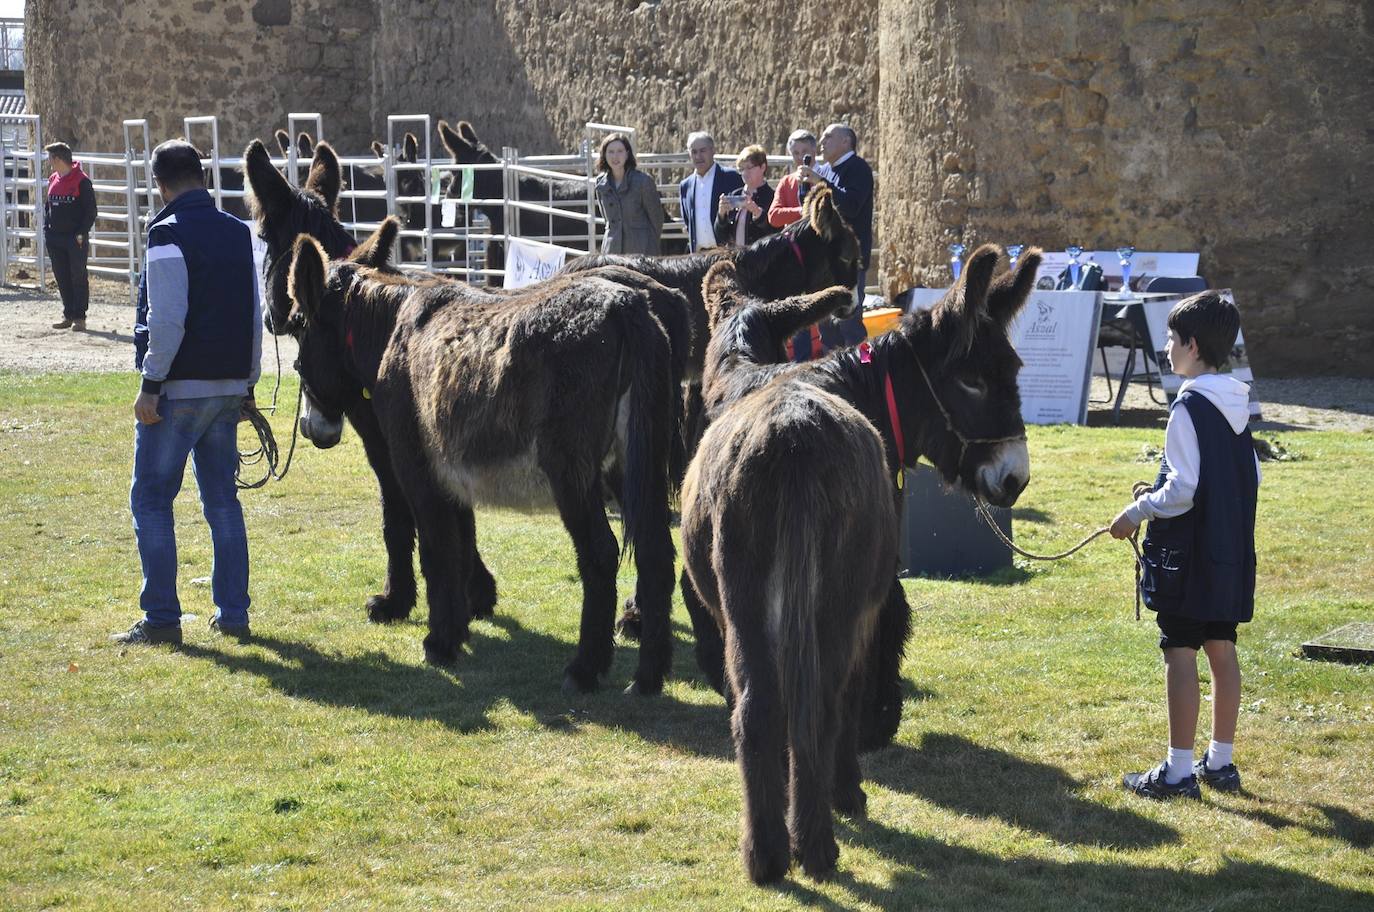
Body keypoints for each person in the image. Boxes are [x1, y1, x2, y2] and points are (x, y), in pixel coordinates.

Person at [112, 140, 262, 646]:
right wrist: (248, 384)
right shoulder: (238, 232)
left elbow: (167, 320)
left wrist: (150, 384)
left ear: (160, 184)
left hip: (178, 389)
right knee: (222, 501)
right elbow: (252, 317)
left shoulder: (165, 233)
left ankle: (160, 620)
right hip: (227, 386)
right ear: (202, 176)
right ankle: (233, 614)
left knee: (151, 499)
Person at [1109, 292, 1259, 800]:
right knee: (1222, 646)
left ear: (1193, 346)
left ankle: (1177, 772)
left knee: (1179, 651)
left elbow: (1183, 490)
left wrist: (1137, 511)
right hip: (1228, 553)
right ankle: (1221, 762)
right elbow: (1247, 477)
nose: (1168, 350)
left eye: (1172, 341)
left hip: (1188, 557)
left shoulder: (1188, 407)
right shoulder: (1239, 402)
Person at [799, 123, 873, 347]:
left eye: (828, 137)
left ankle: (866, 369)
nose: (821, 142)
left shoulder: (858, 168)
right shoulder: (826, 171)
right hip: (826, 262)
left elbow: (851, 206)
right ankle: (834, 376)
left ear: (846, 141)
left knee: (851, 325)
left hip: (848, 261)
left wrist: (820, 182)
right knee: (827, 327)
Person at [43, 142, 97, 331]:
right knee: (62, 275)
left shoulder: (82, 181)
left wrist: (80, 233)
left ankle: (79, 317)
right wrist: (46, 230)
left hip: (75, 238)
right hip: (55, 238)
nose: (49, 162)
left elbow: (91, 211)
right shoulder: (53, 180)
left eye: (50, 158)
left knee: (78, 275)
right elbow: (47, 207)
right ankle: (68, 313)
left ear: (58, 159)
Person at [594, 132, 665, 255]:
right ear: (604, 155)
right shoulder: (601, 183)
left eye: (620, 151)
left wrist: (650, 246)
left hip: (642, 251)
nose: (615, 157)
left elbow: (656, 219)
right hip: (612, 251)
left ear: (627, 154)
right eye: (610, 152)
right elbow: (608, 220)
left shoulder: (643, 182)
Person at [678, 131, 743, 252]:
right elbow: (688, 221)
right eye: (694, 152)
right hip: (698, 257)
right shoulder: (685, 186)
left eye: (703, 151)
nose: (698, 156)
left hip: (726, 253)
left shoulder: (731, 178)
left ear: (713, 150)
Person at [712, 145, 777, 248]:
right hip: (736, 258)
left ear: (763, 167)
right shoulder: (734, 195)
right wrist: (721, 215)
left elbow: (775, 233)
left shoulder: (772, 197)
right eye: (741, 169)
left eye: (749, 168)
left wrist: (757, 213)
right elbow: (721, 236)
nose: (745, 173)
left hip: (760, 259)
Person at [768, 129, 817, 229]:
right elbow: (773, 217)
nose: (801, 157)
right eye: (796, 153)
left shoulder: (826, 175)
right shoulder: (787, 182)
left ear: (814, 150)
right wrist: (801, 211)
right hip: (795, 240)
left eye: (805, 151)